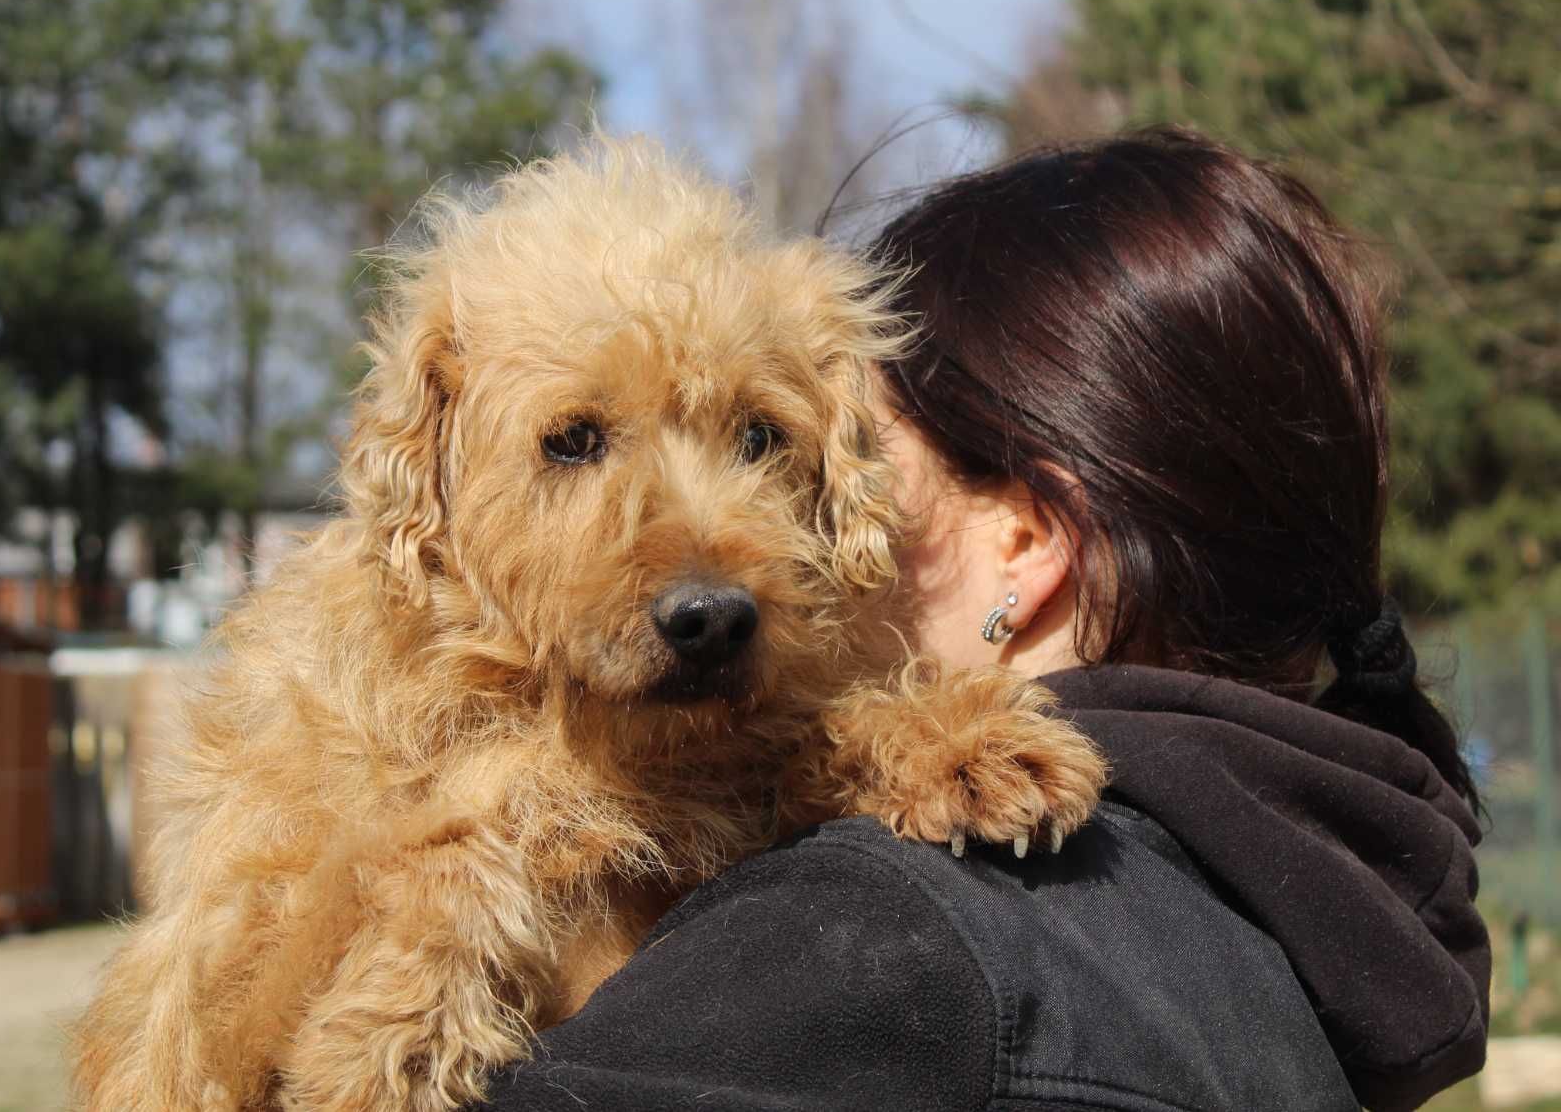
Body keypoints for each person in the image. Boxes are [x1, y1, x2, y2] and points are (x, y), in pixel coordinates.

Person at [473, 128, 1489, 1112]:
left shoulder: (881, 943)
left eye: (819, 467)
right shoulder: (1287, 933)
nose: (800, 540)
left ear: (1023, 545)